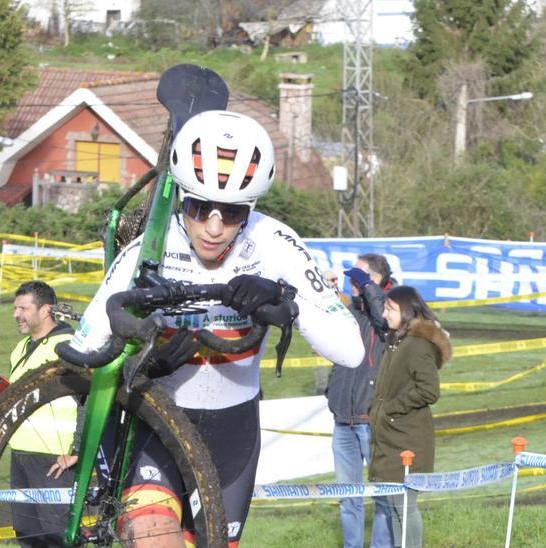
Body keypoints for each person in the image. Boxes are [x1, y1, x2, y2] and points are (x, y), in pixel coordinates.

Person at [69, 110, 365, 546]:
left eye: (230, 212)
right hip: (155, 424)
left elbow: (351, 350)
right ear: (181, 198)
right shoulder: (152, 246)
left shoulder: (274, 243)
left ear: (251, 209)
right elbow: (86, 345)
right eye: (198, 207)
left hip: (232, 433)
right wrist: (139, 350)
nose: (212, 226)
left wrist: (284, 298)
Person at [0, 280, 78, 547]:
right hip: (21, 455)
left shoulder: (70, 346)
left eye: (23, 308)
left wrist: (78, 448)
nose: (16, 314)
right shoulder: (20, 348)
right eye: (15, 308)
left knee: (57, 538)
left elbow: (90, 399)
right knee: (27, 536)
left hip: (55, 458)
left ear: (45, 310)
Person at [369, 286, 448, 548]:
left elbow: (429, 390)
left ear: (406, 310)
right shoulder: (397, 341)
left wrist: (391, 409)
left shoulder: (417, 344)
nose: (384, 314)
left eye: (390, 309)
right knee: (393, 507)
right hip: (392, 438)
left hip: (407, 440)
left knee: (404, 507)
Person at [325, 255, 394, 548]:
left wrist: (366, 286)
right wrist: (326, 291)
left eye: (358, 276)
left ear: (375, 280)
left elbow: (382, 317)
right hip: (343, 419)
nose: (351, 282)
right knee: (347, 496)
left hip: (371, 418)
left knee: (383, 495)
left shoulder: (390, 312)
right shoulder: (350, 311)